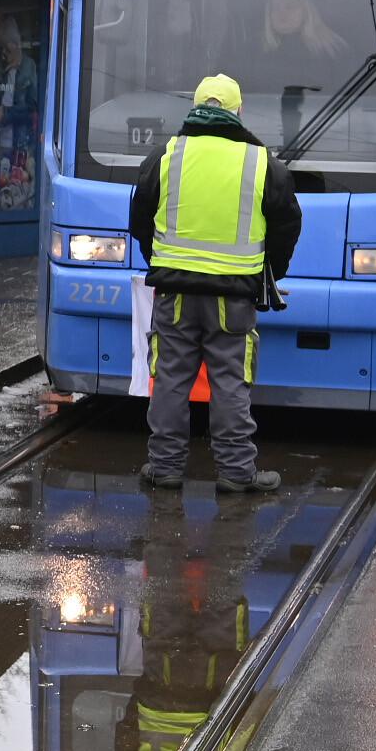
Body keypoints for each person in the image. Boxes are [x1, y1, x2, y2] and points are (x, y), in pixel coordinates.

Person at [128, 72, 302, 494]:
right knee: (230, 382)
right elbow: (287, 224)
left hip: (175, 293)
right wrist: (269, 274)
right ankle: (236, 472)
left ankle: (165, 467)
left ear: (195, 108)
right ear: (238, 112)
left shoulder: (165, 156)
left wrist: (164, 263)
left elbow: (139, 219)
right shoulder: (261, 162)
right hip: (232, 297)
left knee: (170, 378)